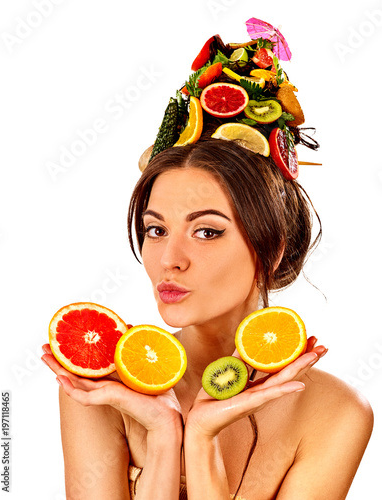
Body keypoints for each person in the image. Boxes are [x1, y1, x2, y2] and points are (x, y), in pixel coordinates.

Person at [42, 21, 373, 500]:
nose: (169, 260)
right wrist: (162, 438)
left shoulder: (336, 411)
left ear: (272, 245)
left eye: (206, 231)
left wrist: (201, 443)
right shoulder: (102, 389)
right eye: (156, 230)